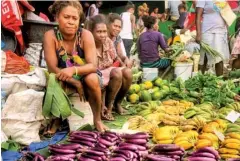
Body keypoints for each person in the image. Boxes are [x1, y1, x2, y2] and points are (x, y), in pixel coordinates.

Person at [43, 0, 108, 133]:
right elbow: (52, 68)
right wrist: (74, 82)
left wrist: (73, 70)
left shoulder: (85, 35)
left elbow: (93, 66)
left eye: (75, 18)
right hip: (63, 76)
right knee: (54, 78)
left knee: (92, 78)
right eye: (66, 17)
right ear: (56, 17)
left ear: (79, 20)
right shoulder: (50, 36)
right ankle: (57, 120)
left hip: (86, 75)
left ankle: (97, 119)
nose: (71, 22)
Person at [88, 14, 132, 120]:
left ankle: (115, 105)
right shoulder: (88, 42)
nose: (103, 35)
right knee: (116, 73)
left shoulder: (108, 41)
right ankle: (107, 109)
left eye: (104, 32)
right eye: (99, 32)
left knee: (127, 72)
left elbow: (116, 57)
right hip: (96, 73)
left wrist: (124, 65)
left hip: (107, 70)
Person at [196, 0, 230, 76]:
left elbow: (226, 15)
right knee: (204, 56)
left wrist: (227, 31)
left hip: (221, 32)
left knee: (219, 57)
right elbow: (198, 16)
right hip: (207, 31)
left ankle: (220, 82)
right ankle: (199, 78)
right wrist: (198, 34)